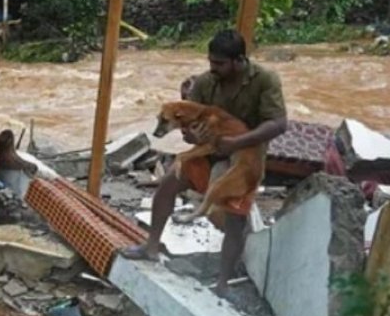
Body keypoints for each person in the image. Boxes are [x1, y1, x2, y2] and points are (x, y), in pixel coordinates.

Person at [123, 29, 287, 295]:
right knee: (167, 186)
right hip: (206, 152)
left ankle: (223, 282)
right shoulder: (204, 82)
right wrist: (191, 136)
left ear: (239, 60)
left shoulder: (265, 80)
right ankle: (150, 246)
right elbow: (187, 125)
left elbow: (278, 124)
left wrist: (237, 142)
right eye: (211, 62)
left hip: (244, 157)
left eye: (219, 63)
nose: (213, 68)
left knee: (234, 219)